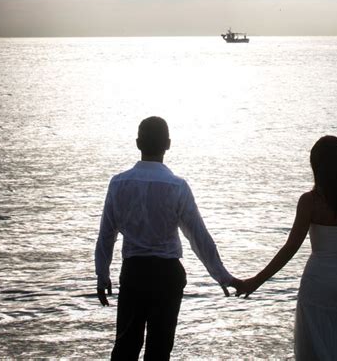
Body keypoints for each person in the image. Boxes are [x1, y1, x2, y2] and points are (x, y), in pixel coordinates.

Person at [95, 115, 238, 360]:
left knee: (125, 348)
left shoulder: (119, 184)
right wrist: (222, 276)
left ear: (138, 143)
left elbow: (106, 235)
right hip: (167, 275)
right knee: (159, 351)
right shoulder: (177, 186)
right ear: (168, 144)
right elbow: (198, 237)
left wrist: (102, 275)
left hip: (134, 273)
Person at [235, 135, 337, 360]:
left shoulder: (310, 201)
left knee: (318, 349)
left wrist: (256, 281)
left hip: (319, 283)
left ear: (317, 167)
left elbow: (290, 248)